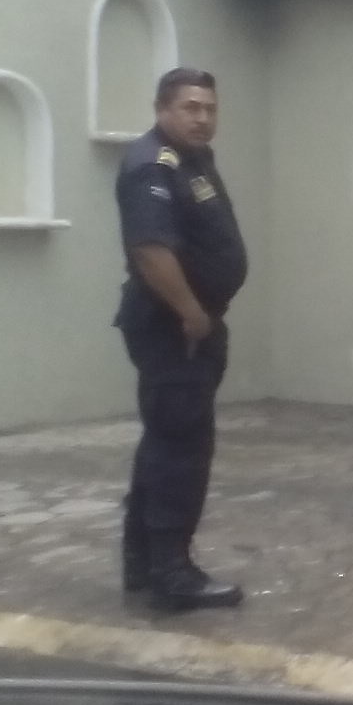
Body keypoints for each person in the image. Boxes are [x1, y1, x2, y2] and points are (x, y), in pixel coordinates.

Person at [115, 68, 247, 611]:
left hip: (193, 323)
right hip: (175, 327)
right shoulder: (152, 165)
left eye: (209, 108)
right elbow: (151, 250)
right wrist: (192, 312)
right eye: (191, 107)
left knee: (166, 440)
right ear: (162, 108)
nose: (202, 117)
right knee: (181, 448)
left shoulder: (193, 159)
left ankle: (144, 560)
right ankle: (173, 572)